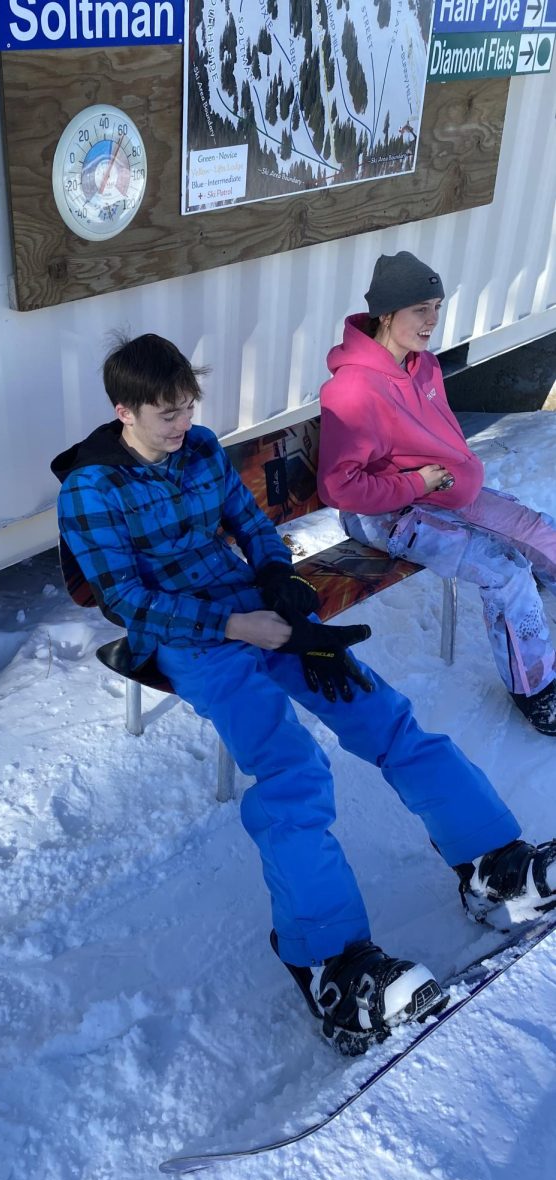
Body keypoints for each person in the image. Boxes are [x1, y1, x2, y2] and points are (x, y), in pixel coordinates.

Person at [51, 331, 556, 1057]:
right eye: (167, 414)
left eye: (189, 407)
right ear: (124, 411)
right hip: (192, 639)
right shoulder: (92, 488)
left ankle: (492, 864)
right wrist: (233, 624)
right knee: (293, 770)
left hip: (257, 610)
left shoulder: (196, 452)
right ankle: (329, 962)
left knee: (385, 716)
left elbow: (251, 526)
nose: (183, 424)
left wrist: (282, 589)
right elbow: (127, 598)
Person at [317, 250, 556, 736]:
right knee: (504, 569)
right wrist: (418, 483)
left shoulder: (421, 366)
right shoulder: (353, 390)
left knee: (536, 528)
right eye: (420, 309)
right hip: (386, 514)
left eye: (437, 307)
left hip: (440, 494)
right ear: (387, 314)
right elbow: (337, 486)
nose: (432, 321)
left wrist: (448, 477)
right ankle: (537, 689)